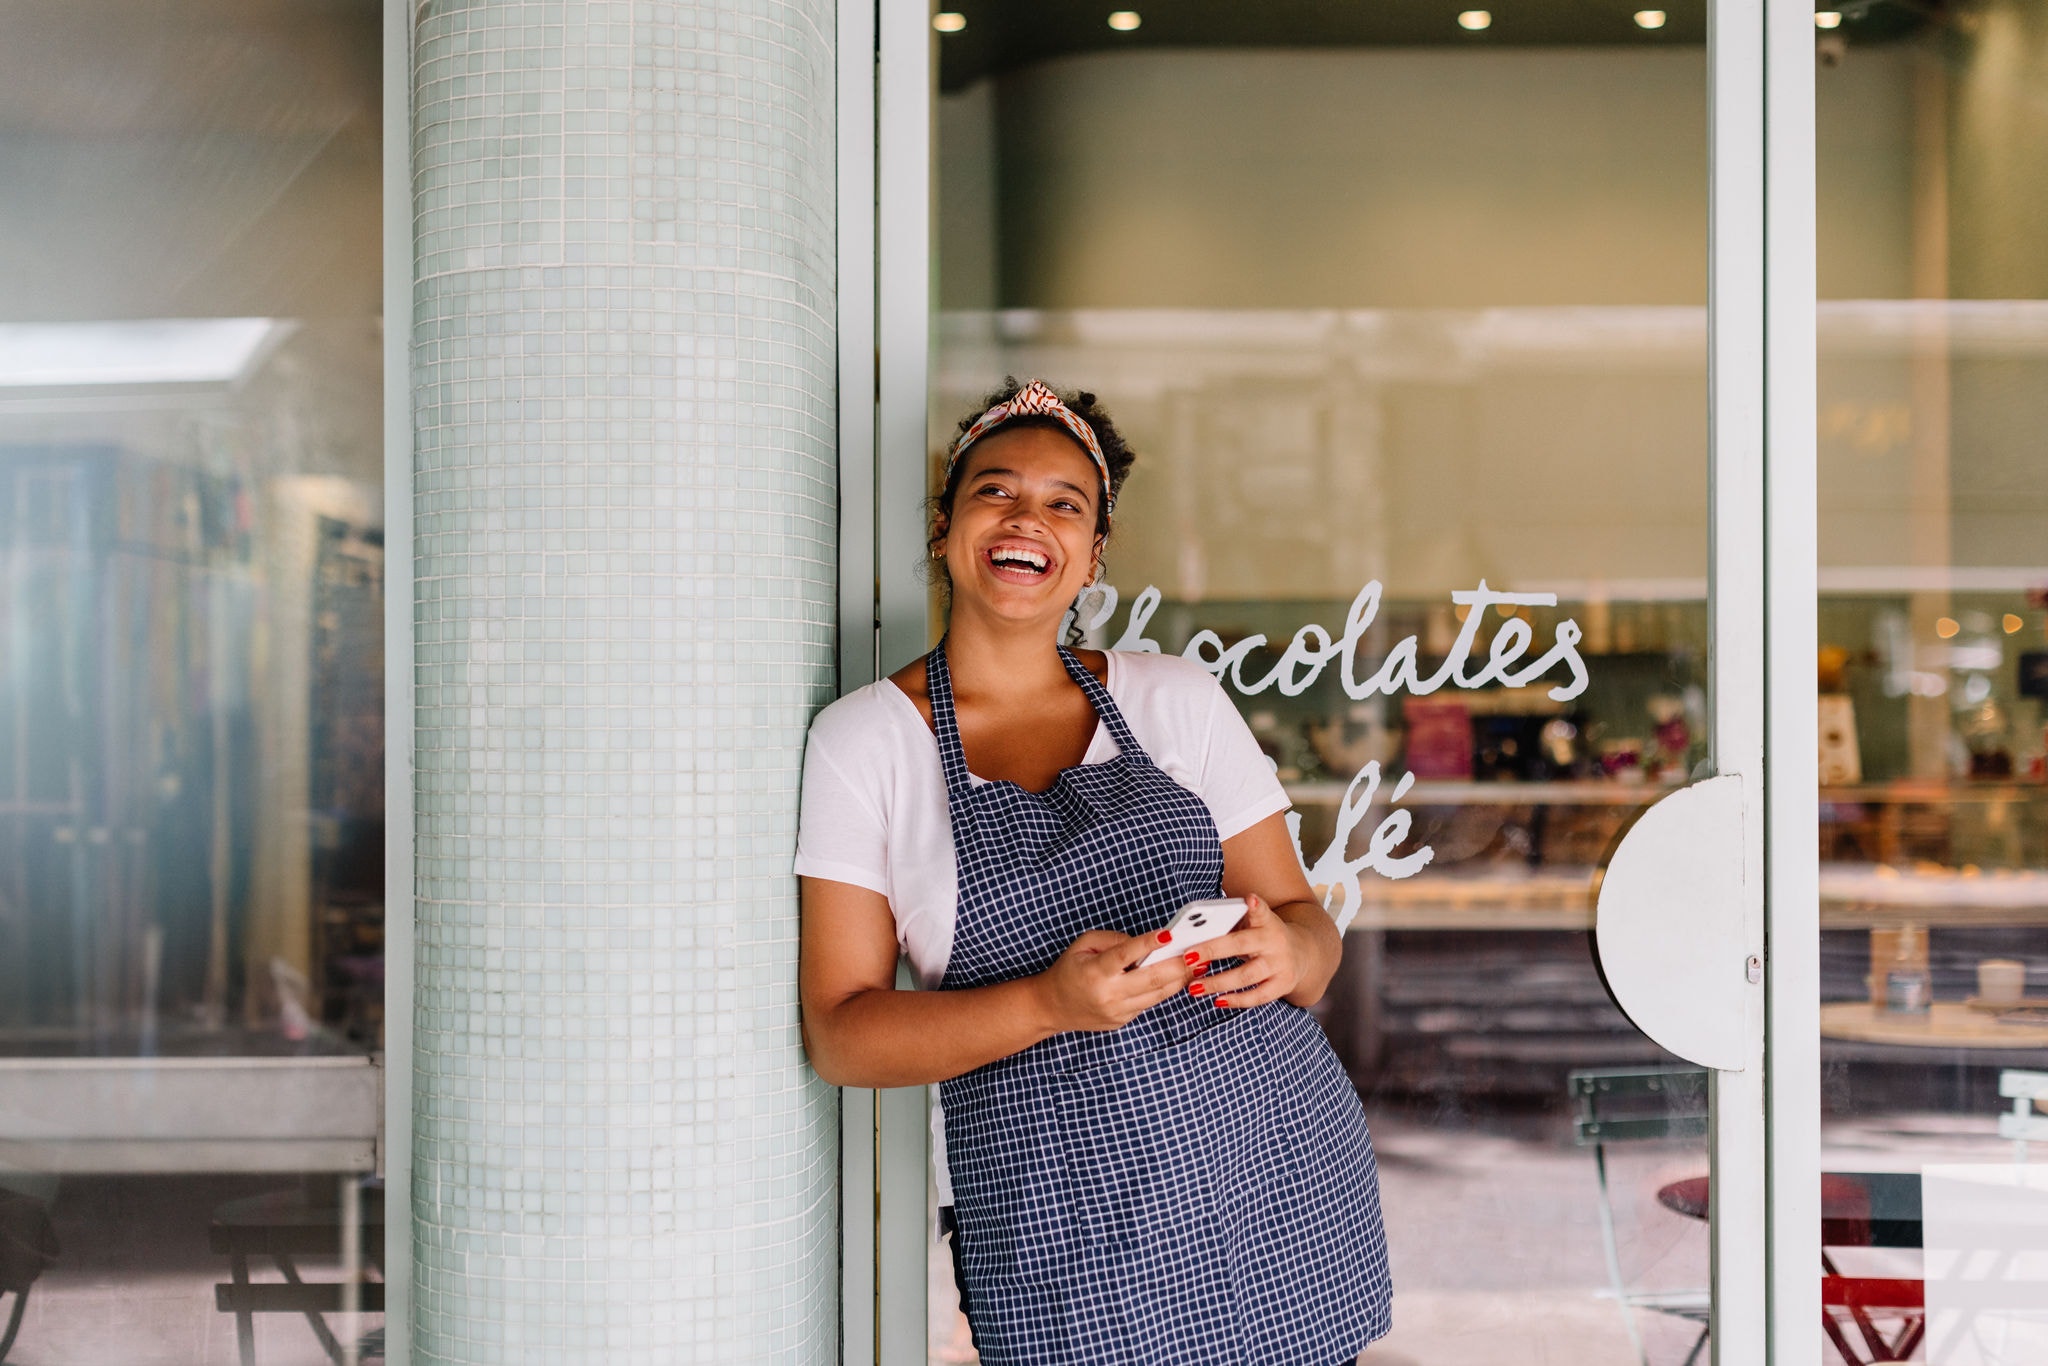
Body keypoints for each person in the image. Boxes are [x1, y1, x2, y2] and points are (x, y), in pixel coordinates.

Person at [796, 379, 1392, 1365]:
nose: (1027, 516)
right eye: (995, 490)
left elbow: (1307, 932)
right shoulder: (863, 743)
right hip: (1061, 1223)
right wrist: (1047, 1002)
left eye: (1064, 501)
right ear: (944, 528)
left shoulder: (1175, 699)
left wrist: (1286, 950)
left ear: (1093, 552)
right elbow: (842, 1033)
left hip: (1266, 1170)